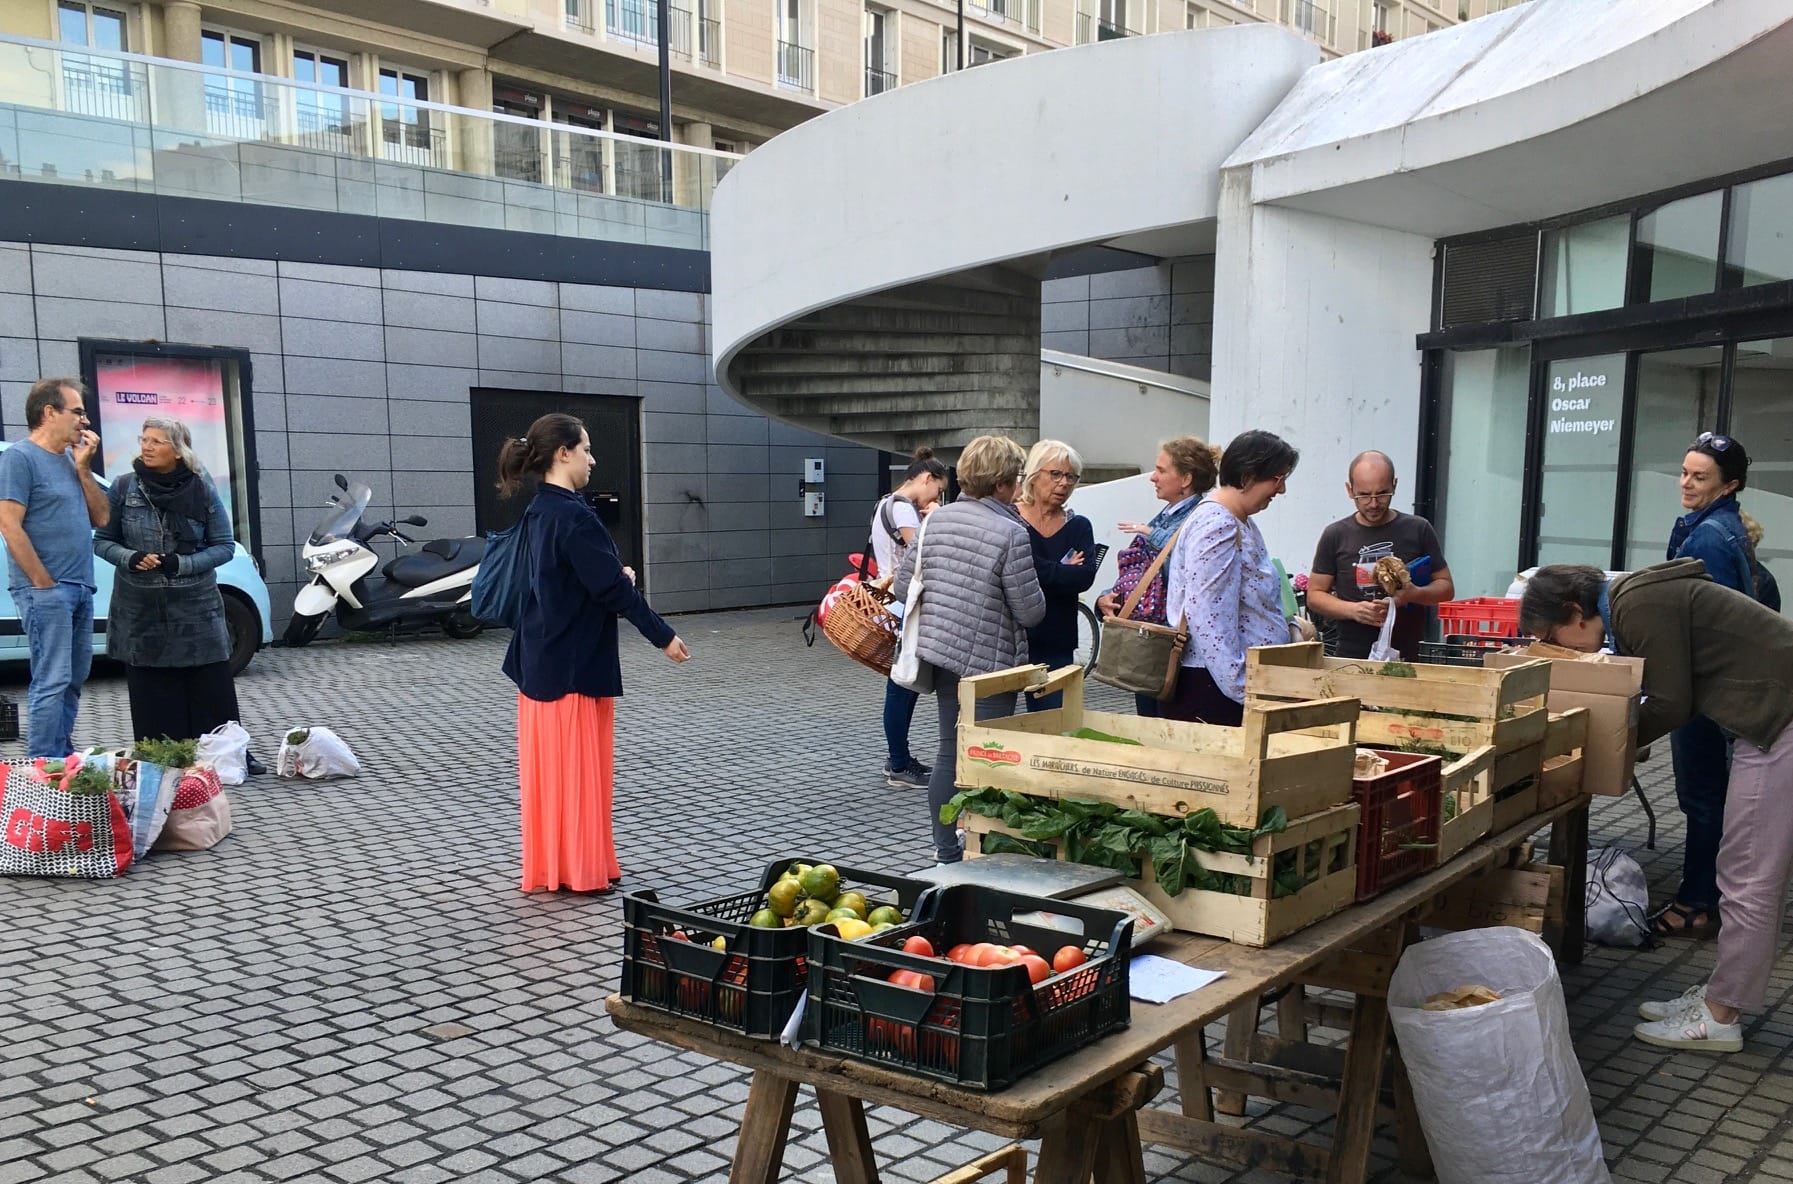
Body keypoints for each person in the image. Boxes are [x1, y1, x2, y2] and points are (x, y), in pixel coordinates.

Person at [1520, 561, 1793, 1053]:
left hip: (1779, 721)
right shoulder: (1633, 599)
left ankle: (1721, 1015)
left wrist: (1606, 749)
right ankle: (1721, 995)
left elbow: (1670, 703)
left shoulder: (1637, 604)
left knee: (1749, 873)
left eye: (1553, 638)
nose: (1564, 651)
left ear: (1575, 612)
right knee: (1746, 869)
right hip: (1771, 716)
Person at [498, 413, 690, 893]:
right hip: (573, 667)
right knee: (581, 776)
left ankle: (557, 867)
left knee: (552, 779)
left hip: (541, 662)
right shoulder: (574, 516)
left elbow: (563, 581)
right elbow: (611, 591)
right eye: (585, 449)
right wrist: (663, 636)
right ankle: (583, 872)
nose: (592, 459)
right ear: (563, 453)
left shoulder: (541, 510)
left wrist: (612, 577)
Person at [891, 435, 1043, 864]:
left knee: (948, 752)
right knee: (989, 758)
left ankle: (946, 850)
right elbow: (1030, 611)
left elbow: (903, 587)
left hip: (940, 655)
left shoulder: (934, 522)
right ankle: (985, 848)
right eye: (1016, 478)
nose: (1018, 486)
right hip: (991, 664)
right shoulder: (1011, 533)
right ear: (1002, 483)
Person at [1652, 432, 1773, 938]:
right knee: (1708, 795)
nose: (1685, 483)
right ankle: (1706, 895)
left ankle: (1697, 903)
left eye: (1699, 477)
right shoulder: (1721, 527)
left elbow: (1711, 623)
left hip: (1704, 686)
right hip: (1712, 684)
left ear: (1729, 485)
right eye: (1683, 472)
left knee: (1702, 797)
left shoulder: (1708, 537)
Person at [92, 418, 251, 755]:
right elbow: (102, 541)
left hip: (196, 608)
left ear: (178, 451)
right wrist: (131, 557)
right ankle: (161, 757)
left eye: (156, 441)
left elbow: (224, 546)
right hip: (141, 609)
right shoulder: (123, 487)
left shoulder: (202, 488)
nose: (146, 447)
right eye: (144, 439)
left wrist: (182, 564)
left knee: (208, 687)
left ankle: (223, 756)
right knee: (153, 691)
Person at [0, 378, 108, 759]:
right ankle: (43, 764)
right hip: (46, 591)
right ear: (49, 412)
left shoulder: (70, 460)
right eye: (77, 412)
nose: (85, 420)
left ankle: (61, 756)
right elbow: (8, 524)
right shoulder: (19, 458)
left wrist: (84, 469)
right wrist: (42, 582)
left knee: (74, 678)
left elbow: (101, 517)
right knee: (52, 678)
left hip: (80, 587)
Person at [1163, 430, 1299, 727]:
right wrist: (1245, 691)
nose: (1281, 490)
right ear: (1248, 477)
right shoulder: (1218, 524)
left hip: (1228, 686)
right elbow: (1208, 619)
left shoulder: (1238, 520)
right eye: (1278, 479)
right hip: (1215, 690)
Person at [1094, 437, 1218, 717]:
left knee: (1161, 723)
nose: (1153, 477)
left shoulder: (1199, 519)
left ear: (1186, 479)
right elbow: (1143, 575)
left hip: (1173, 649)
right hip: (1152, 644)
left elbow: (1185, 570)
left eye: (1161, 470)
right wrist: (1107, 597)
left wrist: (1151, 534)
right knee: (1148, 721)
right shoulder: (1167, 515)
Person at [1304, 450, 1454, 661]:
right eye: (1364, 495)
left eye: (1382, 494)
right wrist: (1353, 610)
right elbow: (1315, 595)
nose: (1373, 504)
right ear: (1349, 490)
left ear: (1394, 485)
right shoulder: (1336, 534)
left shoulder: (1418, 529)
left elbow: (1446, 588)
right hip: (1352, 657)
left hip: (1409, 656)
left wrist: (1412, 594)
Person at [871, 447, 948, 789]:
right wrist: (936, 518)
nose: (936, 498)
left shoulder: (885, 503)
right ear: (927, 478)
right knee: (903, 685)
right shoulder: (903, 507)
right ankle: (899, 763)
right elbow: (923, 553)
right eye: (938, 490)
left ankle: (899, 759)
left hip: (894, 602)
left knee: (903, 684)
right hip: (906, 604)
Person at [1017, 440, 1096, 712]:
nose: (1064, 483)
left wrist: (1033, 567)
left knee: (1051, 724)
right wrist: (1062, 570)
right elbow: (1013, 569)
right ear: (1034, 474)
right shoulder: (1012, 520)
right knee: (996, 726)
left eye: (1071, 477)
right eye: (1055, 474)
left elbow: (1084, 578)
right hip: (1011, 639)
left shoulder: (1078, 525)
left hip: (1056, 643)